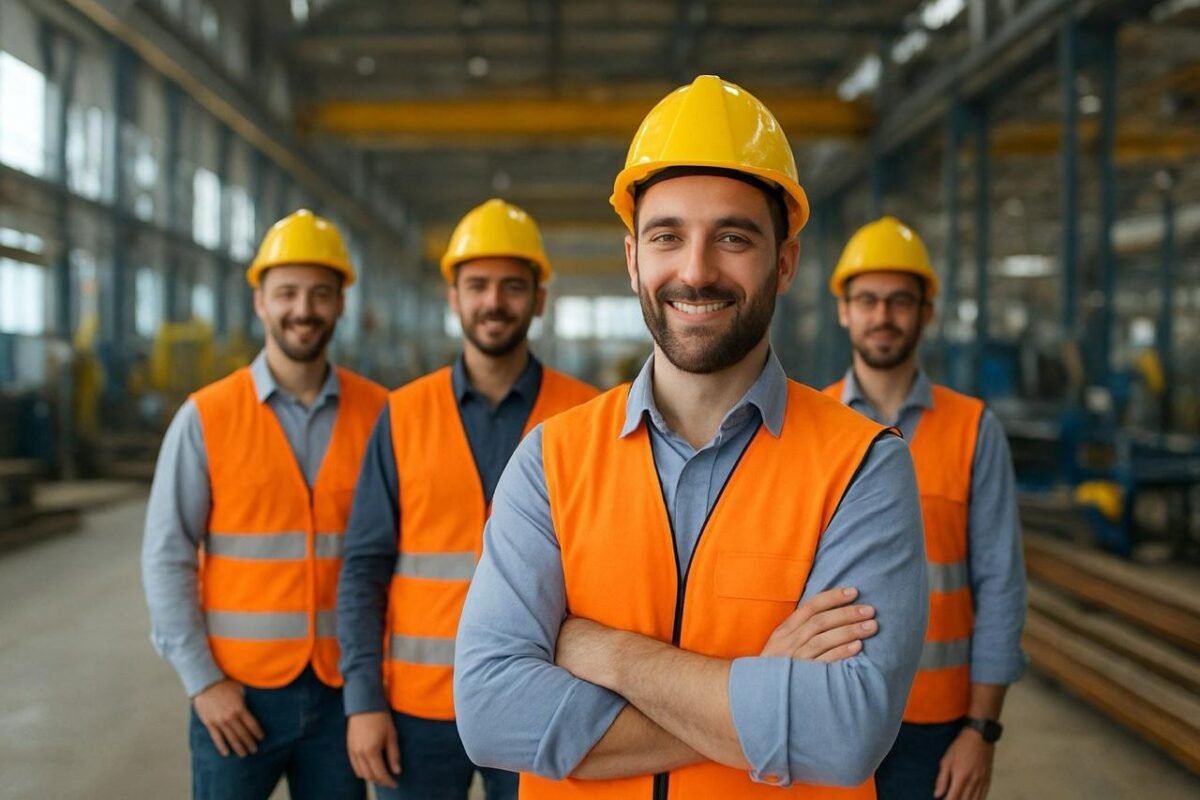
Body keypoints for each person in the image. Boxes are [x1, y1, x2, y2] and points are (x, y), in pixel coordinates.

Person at [453, 75, 928, 798]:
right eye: (667, 236)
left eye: (733, 237)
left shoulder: (863, 465)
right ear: (633, 259)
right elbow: (490, 715)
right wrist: (760, 690)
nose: (696, 270)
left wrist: (605, 652)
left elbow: (843, 736)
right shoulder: (552, 460)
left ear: (786, 262)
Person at [336, 198, 599, 799]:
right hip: (418, 710)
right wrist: (363, 702)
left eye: (512, 285)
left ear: (539, 299)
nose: (493, 301)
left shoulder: (586, 418)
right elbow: (364, 570)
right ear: (452, 297)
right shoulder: (401, 415)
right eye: (476, 284)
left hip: (546, 703)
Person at [142, 209, 387, 800]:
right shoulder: (205, 417)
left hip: (344, 695)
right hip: (237, 698)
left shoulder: (383, 414)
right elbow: (166, 555)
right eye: (287, 293)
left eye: (319, 294)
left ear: (339, 304)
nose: (303, 309)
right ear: (260, 301)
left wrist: (372, 690)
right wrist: (202, 683)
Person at [823, 217, 1026, 800]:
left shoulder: (973, 430)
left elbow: (1001, 587)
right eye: (867, 300)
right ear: (844, 310)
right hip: (830, 710)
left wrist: (981, 729)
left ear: (926, 313)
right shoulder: (810, 423)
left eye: (899, 301)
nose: (882, 316)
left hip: (936, 727)